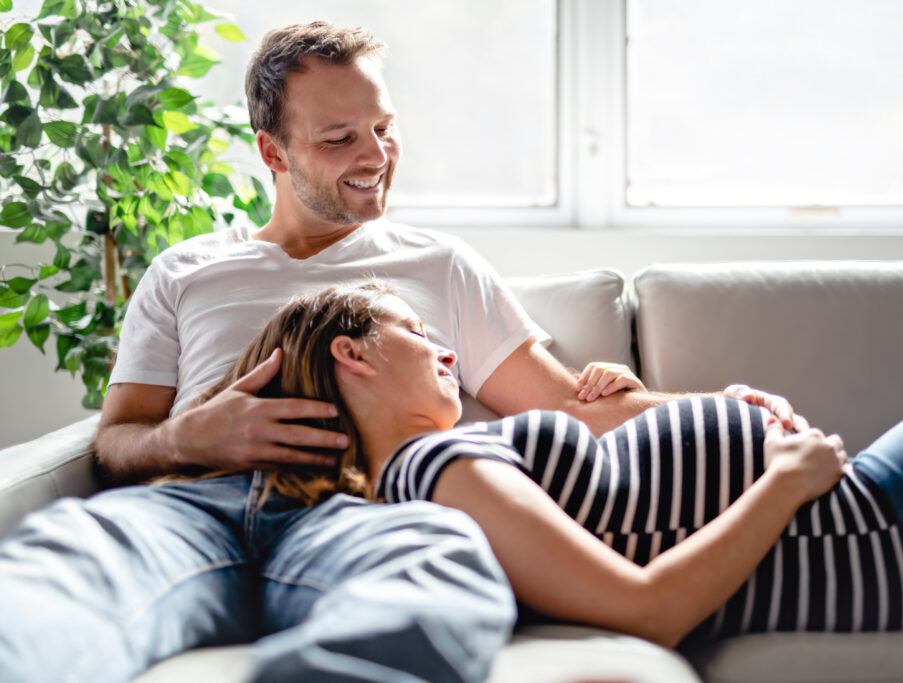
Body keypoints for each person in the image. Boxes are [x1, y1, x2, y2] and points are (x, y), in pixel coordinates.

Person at [0, 21, 790, 682]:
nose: (375, 155)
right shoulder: (185, 271)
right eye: (340, 138)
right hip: (194, 505)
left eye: (384, 128)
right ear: (273, 152)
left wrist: (738, 406)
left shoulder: (439, 265)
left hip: (364, 509)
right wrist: (187, 437)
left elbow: (566, 406)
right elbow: (116, 439)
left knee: (437, 582)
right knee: (57, 579)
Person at [210, 281, 903, 648]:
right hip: (879, 536)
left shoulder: (430, 469)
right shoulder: (432, 470)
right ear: (352, 354)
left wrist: (718, 412)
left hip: (872, 523)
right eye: (417, 333)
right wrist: (784, 480)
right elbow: (646, 610)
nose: (446, 350)